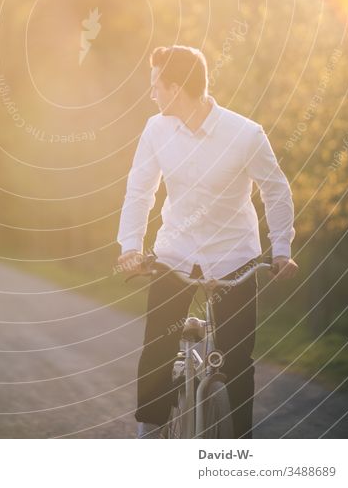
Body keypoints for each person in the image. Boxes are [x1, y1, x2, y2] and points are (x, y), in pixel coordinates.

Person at [116, 44, 298, 439]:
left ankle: (238, 449)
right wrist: (130, 246)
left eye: (156, 86)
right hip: (175, 253)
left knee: (237, 358)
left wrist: (281, 249)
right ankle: (149, 436)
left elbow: (276, 190)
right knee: (157, 349)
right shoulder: (156, 129)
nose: (152, 95)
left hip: (234, 256)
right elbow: (139, 191)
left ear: (177, 87)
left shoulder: (245, 134)